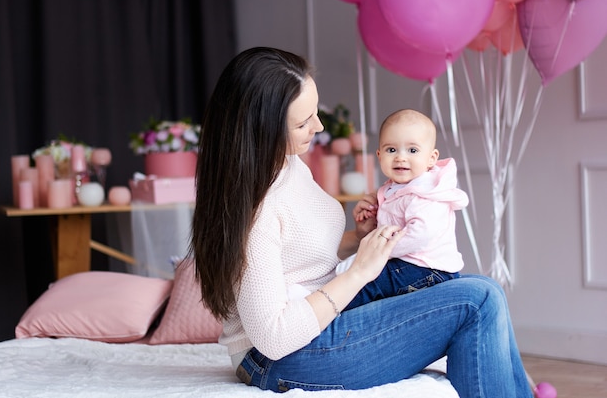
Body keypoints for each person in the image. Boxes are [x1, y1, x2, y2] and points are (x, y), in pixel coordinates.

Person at [192, 46, 533, 397]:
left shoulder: (288, 163)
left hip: (319, 325)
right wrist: (358, 274)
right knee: (477, 299)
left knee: (480, 287)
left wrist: (359, 237)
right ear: (262, 128)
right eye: (302, 122)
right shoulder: (256, 211)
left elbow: (298, 256)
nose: (319, 126)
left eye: (315, 112)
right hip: (278, 358)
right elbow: (275, 338)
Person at [336, 109, 468, 310]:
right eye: (391, 150)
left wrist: (377, 252)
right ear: (379, 155)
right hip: (408, 263)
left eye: (412, 150)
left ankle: (336, 310)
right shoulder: (395, 188)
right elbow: (393, 215)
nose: (400, 158)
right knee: (368, 281)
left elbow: (420, 234)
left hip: (427, 268)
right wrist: (375, 208)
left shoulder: (425, 193)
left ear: (431, 158)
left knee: (368, 284)